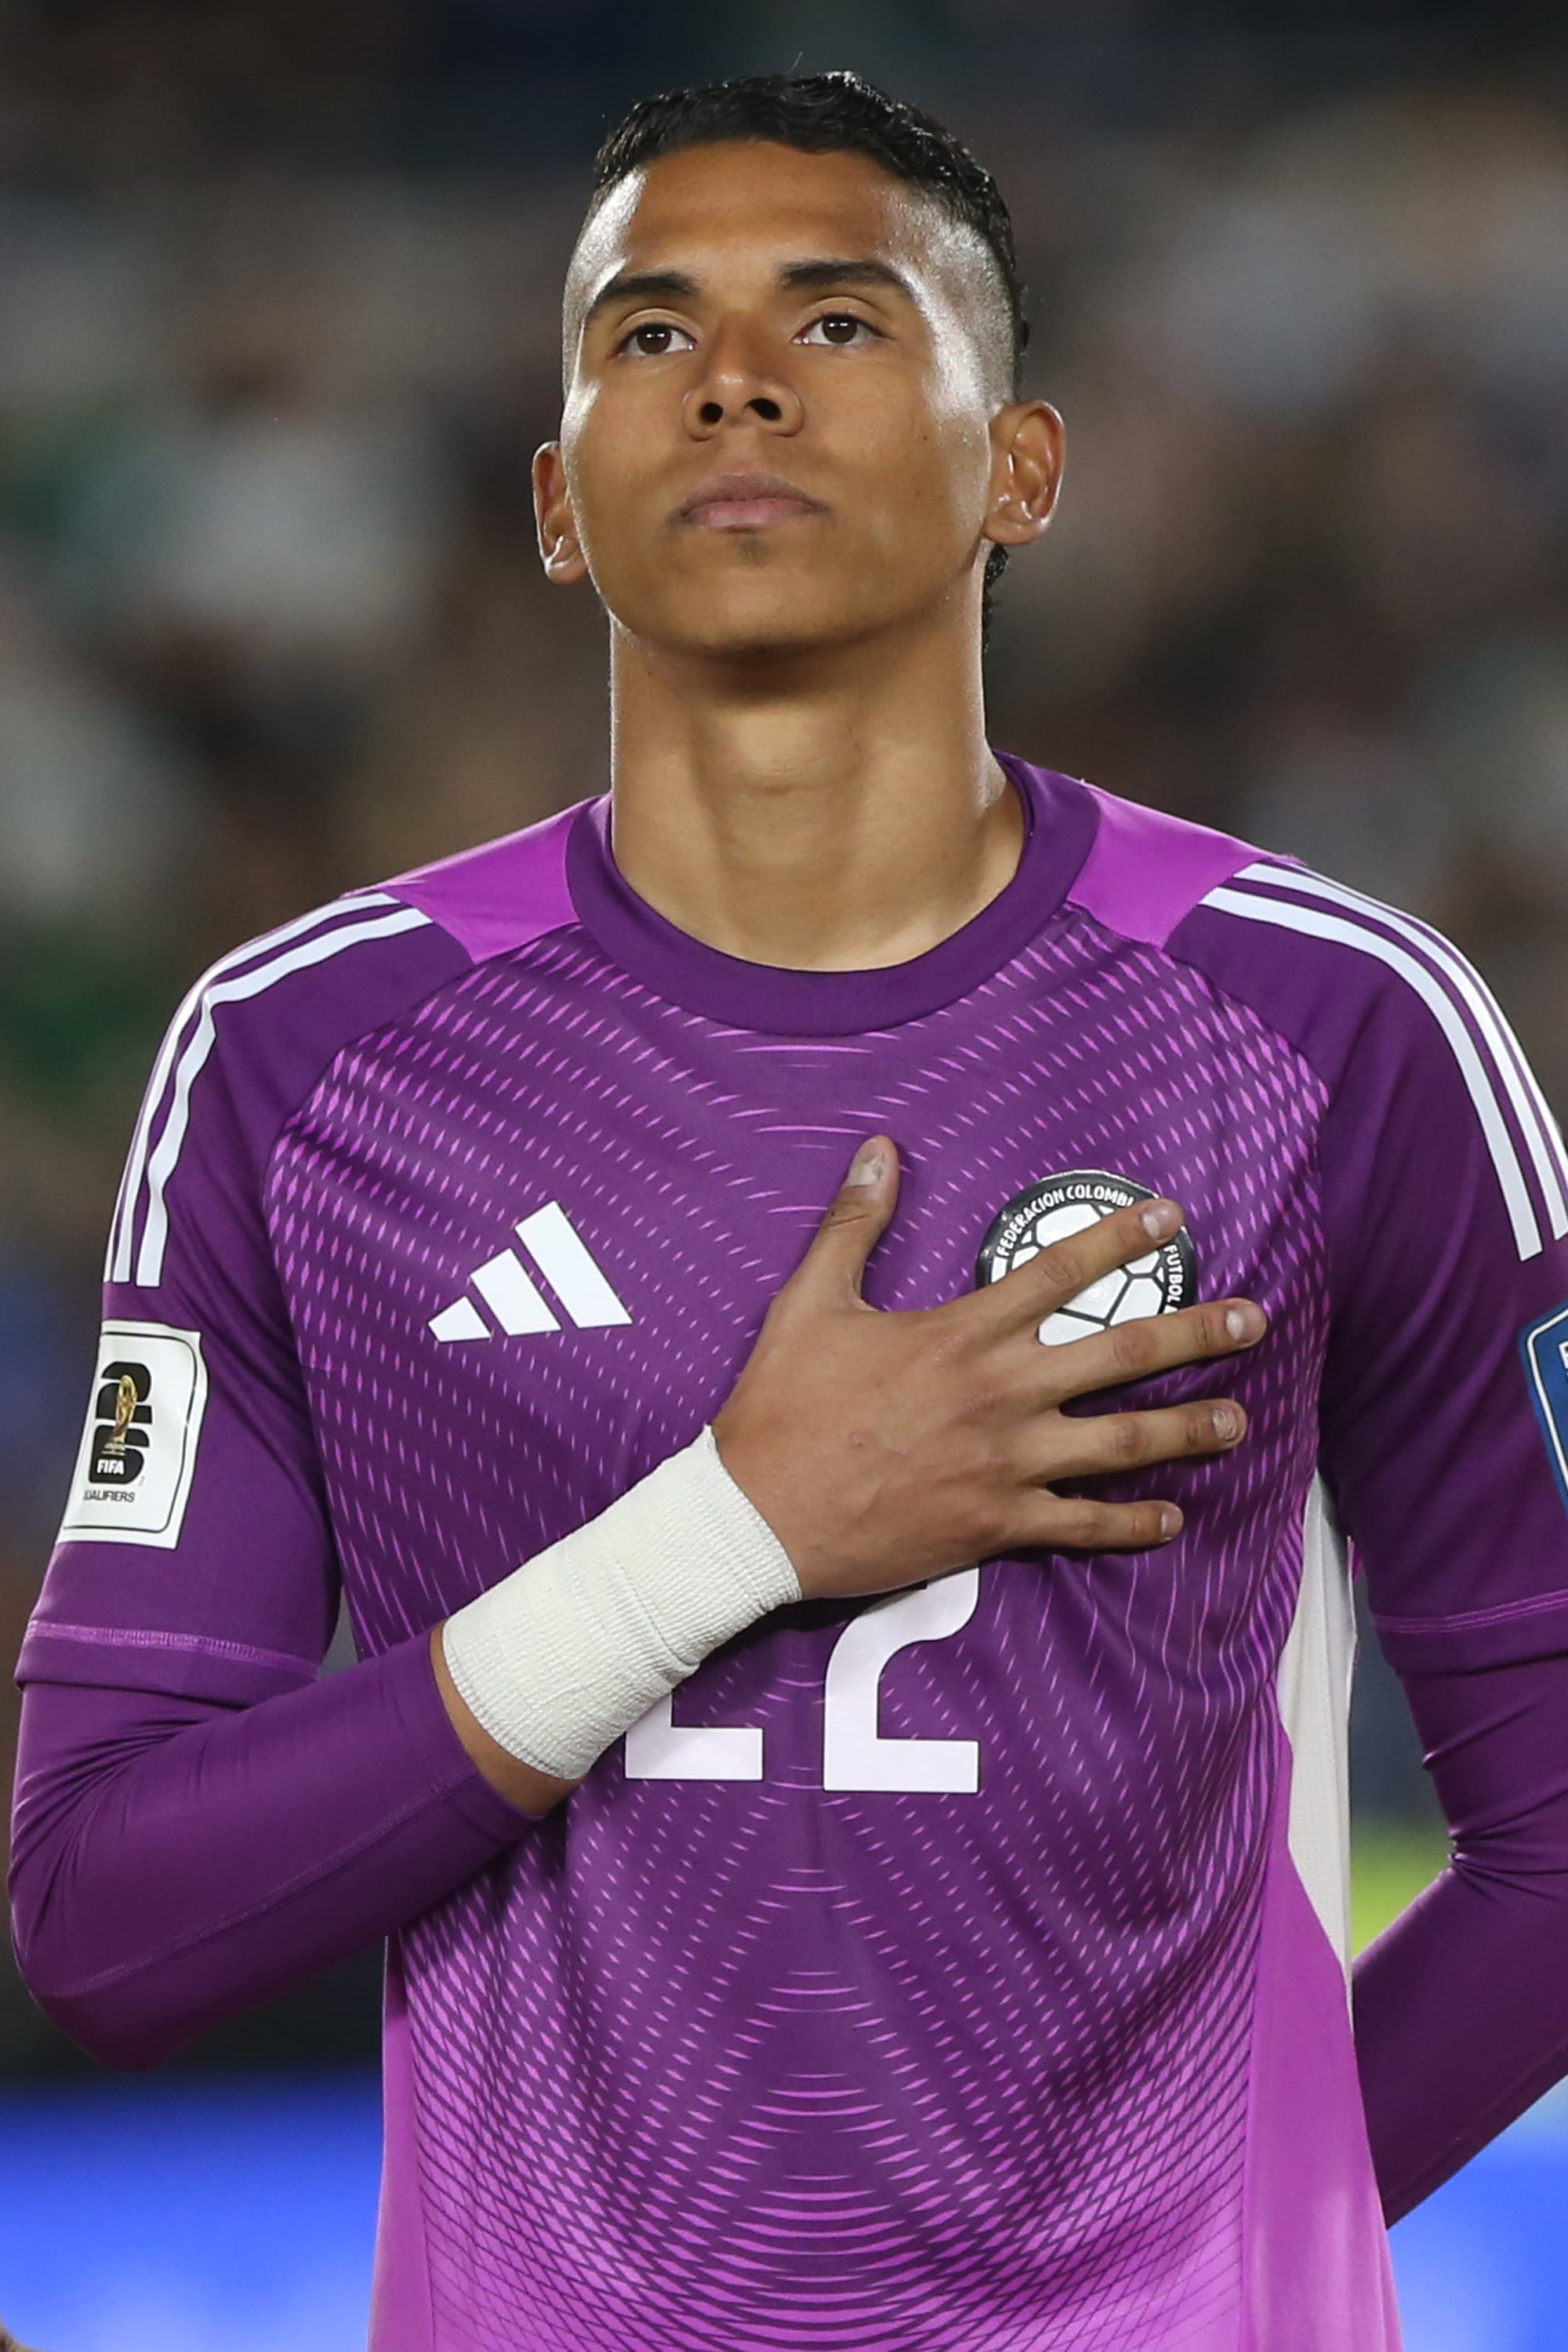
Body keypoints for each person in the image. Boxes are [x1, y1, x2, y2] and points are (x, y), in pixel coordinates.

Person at [10, 71, 1568, 2352]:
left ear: (1020, 465)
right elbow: (102, 1912)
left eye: (839, 321)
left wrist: (1186, 2260)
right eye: (648, 334)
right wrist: (738, 1528)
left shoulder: (1331, 1027)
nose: (730, 373)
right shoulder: (298, 1063)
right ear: (558, 500)